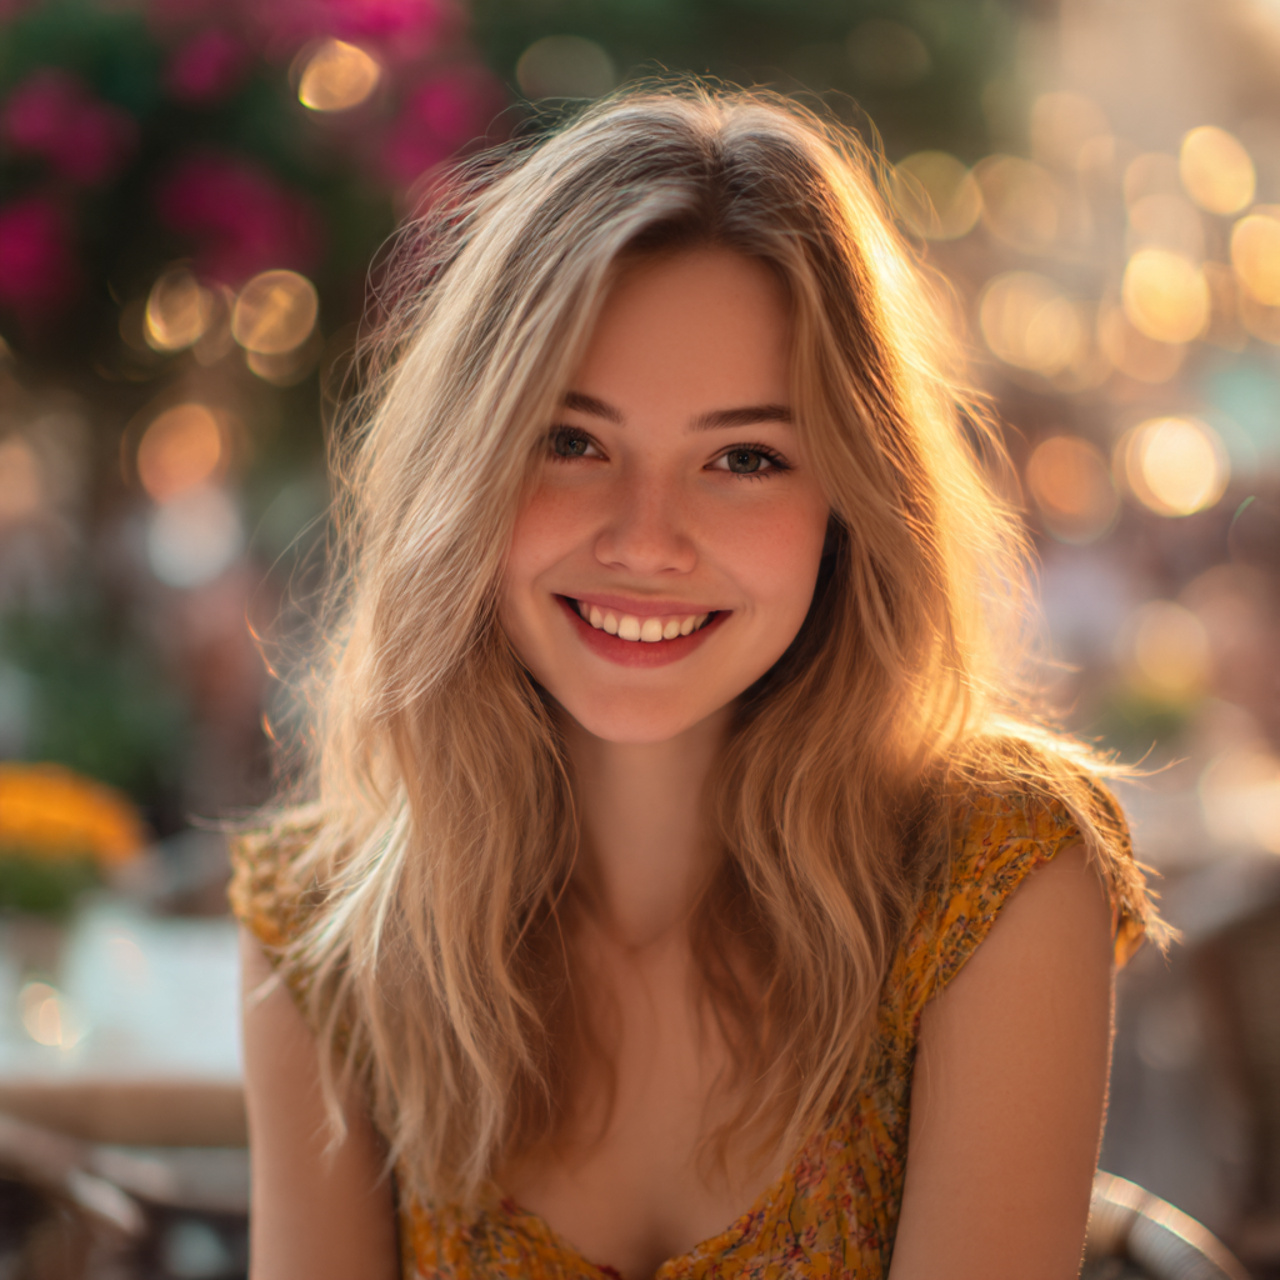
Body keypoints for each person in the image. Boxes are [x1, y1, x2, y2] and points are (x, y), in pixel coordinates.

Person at [230, 82, 1169, 1280]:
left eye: (743, 457)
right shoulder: (323, 927)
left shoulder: (997, 875)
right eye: (569, 441)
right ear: (465, 473)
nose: (646, 538)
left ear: (848, 501)